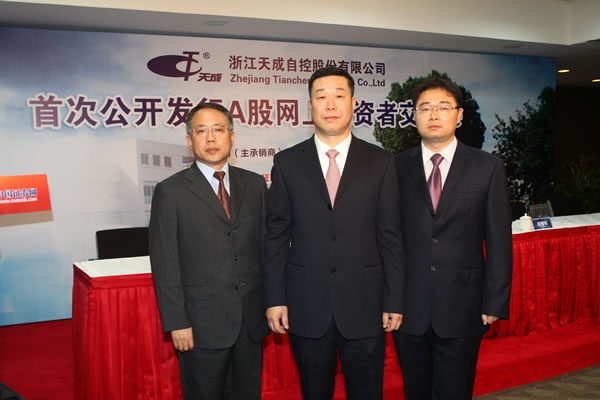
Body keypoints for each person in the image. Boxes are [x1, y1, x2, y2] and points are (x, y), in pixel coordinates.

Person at [264, 67, 404, 400]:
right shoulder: (287, 163)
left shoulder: (381, 161)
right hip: (306, 305)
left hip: (366, 304)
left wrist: (394, 298)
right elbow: (276, 235)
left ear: (353, 103)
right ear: (309, 105)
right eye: (321, 97)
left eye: (339, 96)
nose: (330, 104)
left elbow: (391, 235)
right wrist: (275, 298)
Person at [393, 77, 513, 400]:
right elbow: (387, 237)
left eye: (443, 107)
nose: (434, 114)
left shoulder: (487, 167)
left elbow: (499, 240)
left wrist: (495, 300)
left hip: (463, 306)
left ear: (459, 115)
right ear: (414, 115)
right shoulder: (395, 168)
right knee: (415, 392)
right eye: (425, 108)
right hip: (408, 309)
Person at [149, 102, 270, 400]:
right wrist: (178, 322)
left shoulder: (255, 184)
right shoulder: (170, 191)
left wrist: (273, 303)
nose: (211, 138)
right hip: (201, 325)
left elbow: (267, 249)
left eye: (218, 129)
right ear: (189, 140)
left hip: (250, 321)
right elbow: (165, 262)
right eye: (201, 131)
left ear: (232, 136)